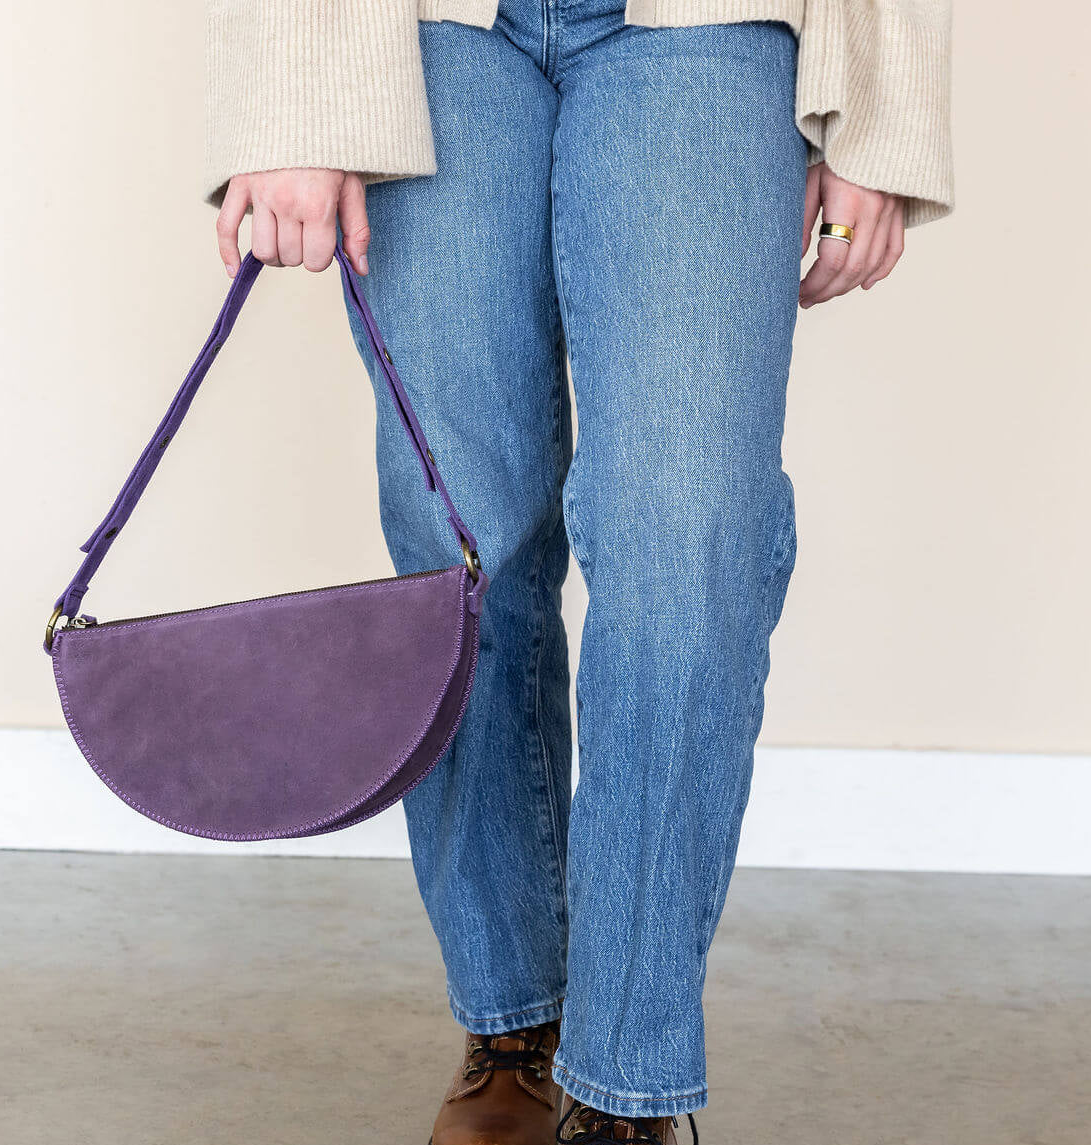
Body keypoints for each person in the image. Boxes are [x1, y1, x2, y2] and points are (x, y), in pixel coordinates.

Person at [203, 2, 953, 1142]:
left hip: (708, 27)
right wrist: (292, 88)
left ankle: (626, 1082)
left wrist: (887, 109)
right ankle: (513, 1019)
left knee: (690, 539)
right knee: (464, 548)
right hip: (434, 32)